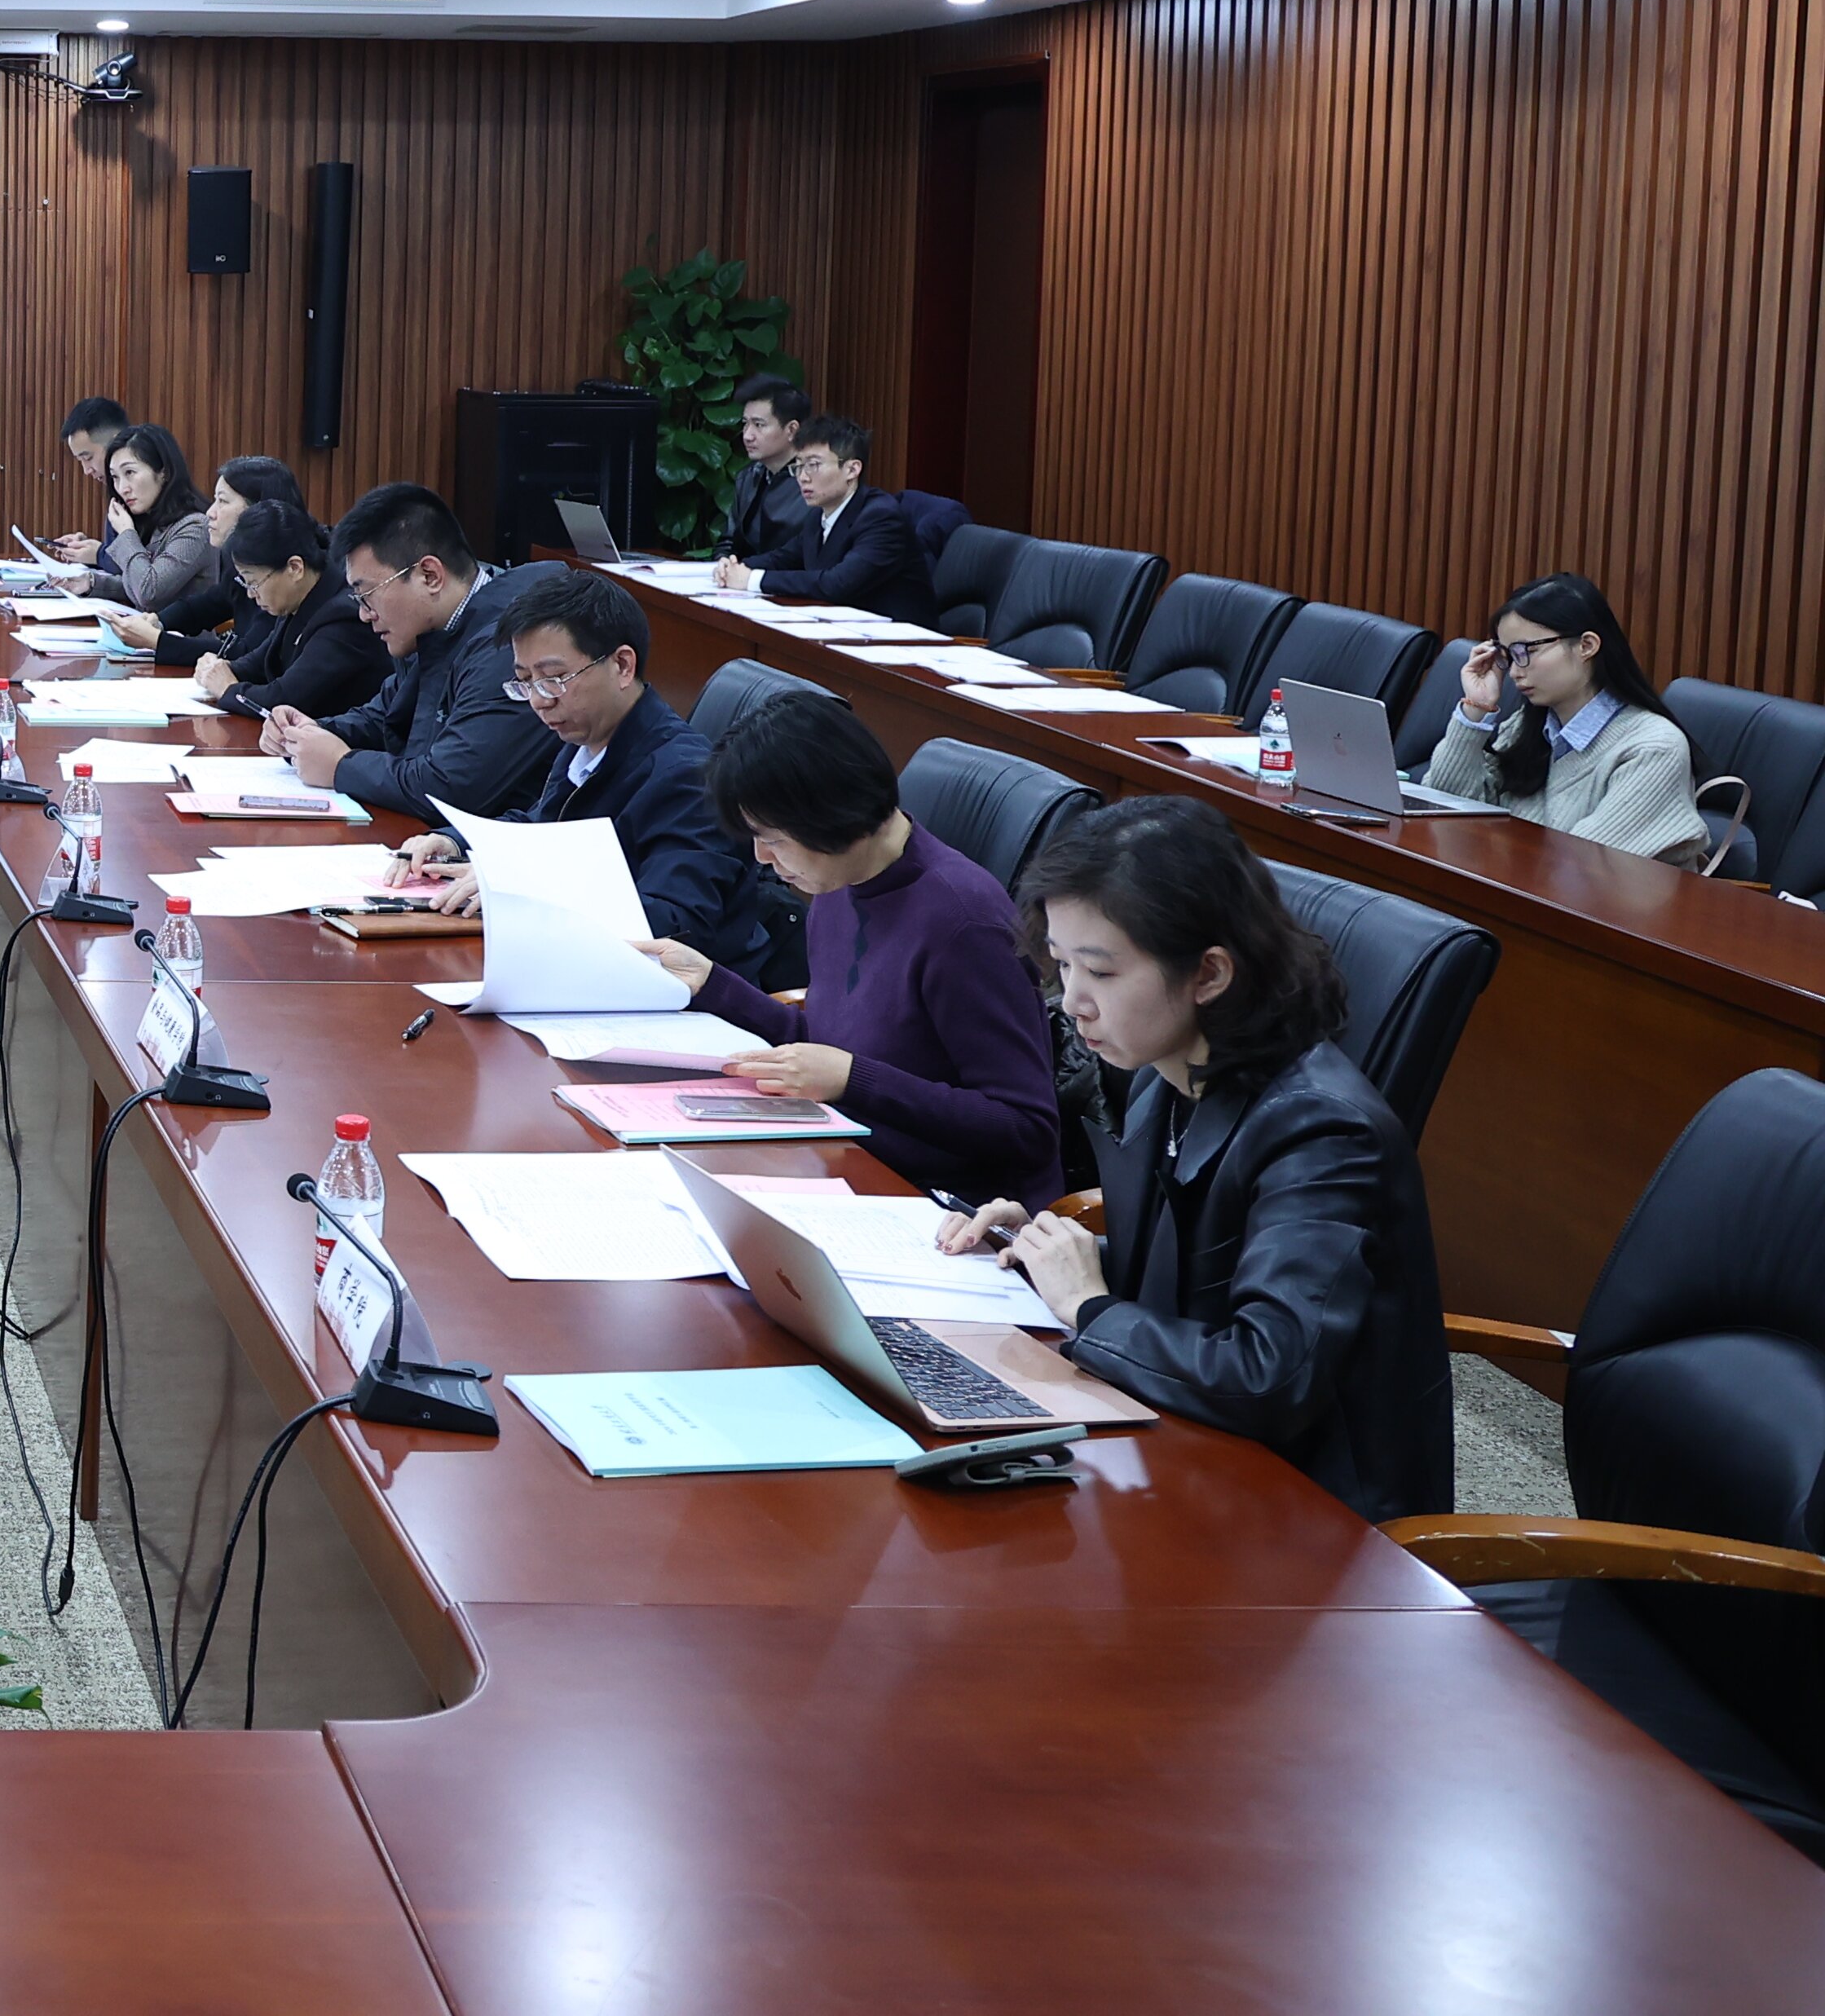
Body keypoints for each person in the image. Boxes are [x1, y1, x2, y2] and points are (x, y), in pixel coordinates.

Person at [948, 796, 1453, 1523]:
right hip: (1188, 1455)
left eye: (1101, 973)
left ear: (1209, 975)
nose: (1072, 1002)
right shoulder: (1168, 1074)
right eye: (1061, 964)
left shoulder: (1324, 1130)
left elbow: (1266, 1373)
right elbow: (1203, 1270)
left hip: (1309, 1519)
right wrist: (1045, 1252)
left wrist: (1087, 1306)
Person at [646, 694, 1060, 1205]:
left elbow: (1025, 1127)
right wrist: (712, 984)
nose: (761, 857)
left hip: (945, 1206)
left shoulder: (963, 922)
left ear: (828, 812)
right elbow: (832, 1042)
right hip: (844, 1157)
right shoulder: (839, 878)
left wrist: (852, 1080)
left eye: (772, 838)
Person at [385, 562, 767, 973]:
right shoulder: (586, 740)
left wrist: (520, 885)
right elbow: (541, 827)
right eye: (525, 681)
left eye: (554, 678)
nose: (539, 700)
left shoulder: (687, 776)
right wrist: (455, 842)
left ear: (622, 665)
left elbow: (674, 925)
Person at [261, 483, 555, 817]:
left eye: (366, 595)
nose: (363, 614)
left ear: (429, 575)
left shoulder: (509, 645)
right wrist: (310, 733)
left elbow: (451, 788)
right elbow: (385, 717)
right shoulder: (432, 630)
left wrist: (341, 766)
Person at [1419, 574, 1706, 864]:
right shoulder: (1527, 726)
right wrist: (1476, 709)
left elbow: (1583, 868)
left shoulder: (1654, 748)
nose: (1515, 672)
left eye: (1527, 651)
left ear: (1586, 646)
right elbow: (1442, 810)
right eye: (1509, 656)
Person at [716, 413, 932, 624]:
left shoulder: (881, 518)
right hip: (843, 629)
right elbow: (782, 558)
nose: (803, 477)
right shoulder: (819, 515)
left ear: (852, 469)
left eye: (813, 465)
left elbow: (837, 584)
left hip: (899, 638)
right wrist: (734, 566)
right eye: (798, 466)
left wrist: (753, 580)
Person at [187, 502, 388, 720]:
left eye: (253, 583)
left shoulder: (344, 618)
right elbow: (259, 664)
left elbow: (284, 699)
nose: (251, 594)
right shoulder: (301, 599)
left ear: (294, 568)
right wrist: (221, 668)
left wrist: (227, 688)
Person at [99, 456, 302, 658]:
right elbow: (207, 606)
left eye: (223, 501)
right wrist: (158, 621)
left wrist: (157, 641)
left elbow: (249, 655)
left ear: (259, 510)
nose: (210, 512)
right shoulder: (241, 560)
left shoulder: (282, 574)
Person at [66, 422, 218, 615]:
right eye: (115, 477)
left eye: (130, 473)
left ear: (164, 472)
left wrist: (126, 533)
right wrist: (91, 583)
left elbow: (149, 592)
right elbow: (137, 582)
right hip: (145, 632)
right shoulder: (152, 519)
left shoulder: (196, 527)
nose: (122, 488)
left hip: (180, 634)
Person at [718, 375, 812, 567]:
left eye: (759, 425)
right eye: (745, 423)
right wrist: (723, 563)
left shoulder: (814, 481)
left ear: (792, 430)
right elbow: (728, 542)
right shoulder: (748, 476)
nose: (747, 436)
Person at [39, 396, 128, 571]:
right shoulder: (115, 491)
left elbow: (141, 570)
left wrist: (99, 555)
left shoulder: (140, 494)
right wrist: (88, 551)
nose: (87, 470)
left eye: (88, 458)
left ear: (116, 443)